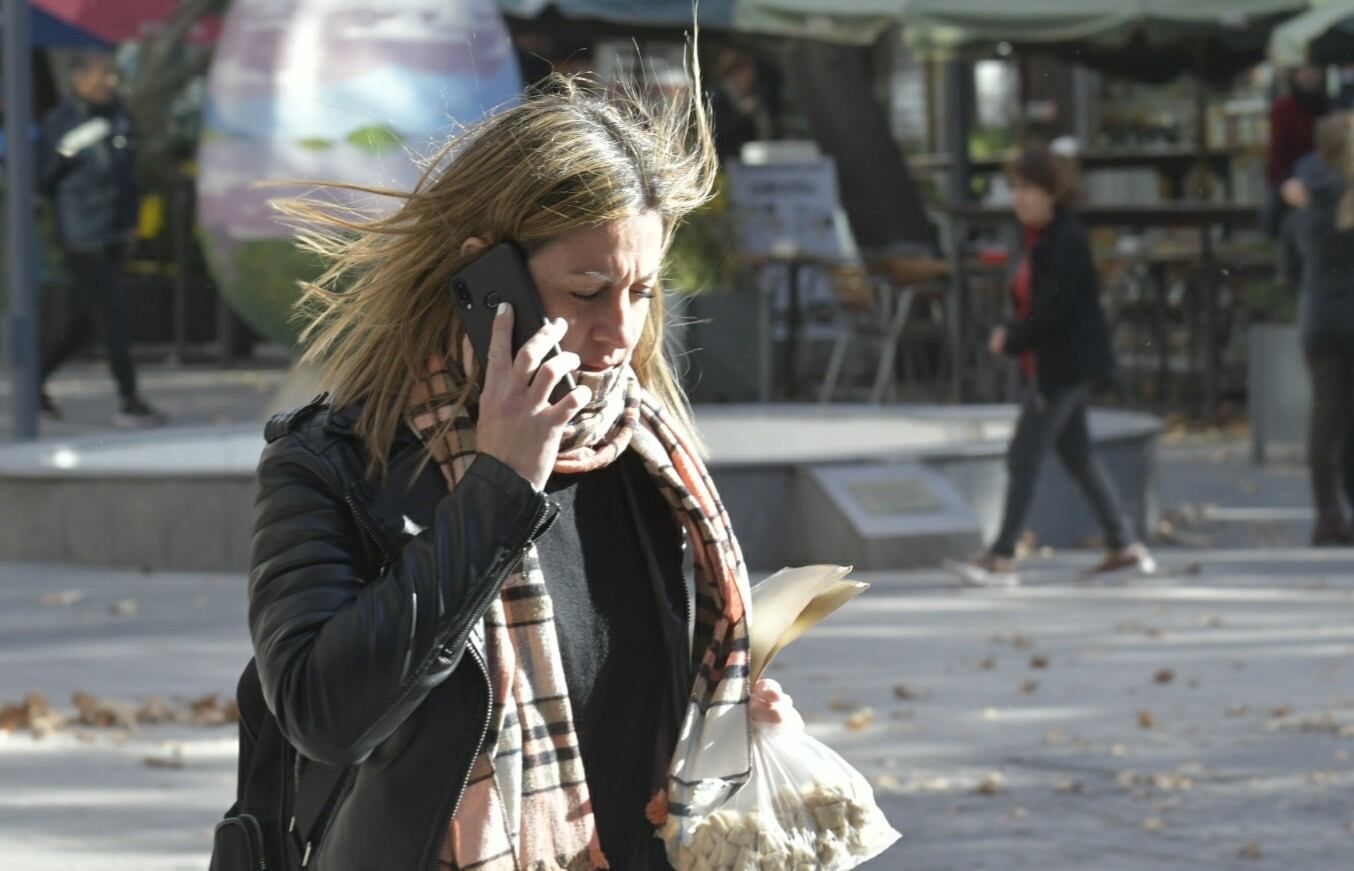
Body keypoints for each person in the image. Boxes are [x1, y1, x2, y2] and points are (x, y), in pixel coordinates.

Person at [246, 49, 791, 871]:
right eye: (587, 290)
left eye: (641, 291)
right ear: (489, 276)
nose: (621, 331)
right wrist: (498, 488)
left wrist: (728, 719)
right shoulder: (334, 464)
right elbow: (325, 711)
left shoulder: (649, 462)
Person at [946, 145, 1156, 587]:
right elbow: (1036, 304)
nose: (1019, 198)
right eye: (1016, 188)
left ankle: (1002, 555)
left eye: (1029, 188)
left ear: (1052, 193)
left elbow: (1054, 309)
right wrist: (1015, 330)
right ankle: (1125, 545)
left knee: (1023, 454)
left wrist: (1013, 336)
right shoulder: (1040, 238)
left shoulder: (1065, 238)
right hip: (1056, 364)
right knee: (1077, 455)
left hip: (1062, 367)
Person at [36, 52, 164, 426]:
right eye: (100, 75)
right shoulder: (61, 122)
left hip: (114, 233)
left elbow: (128, 177)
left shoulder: (120, 115)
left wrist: (131, 225)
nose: (109, 82)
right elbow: (43, 177)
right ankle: (130, 400)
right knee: (113, 317)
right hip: (82, 235)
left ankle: (34, 384)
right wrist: (66, 151)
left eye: (112, 74)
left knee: (86, 322)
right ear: (78, 78)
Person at [1280, 113, 1354, 545]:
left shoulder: (1303, 201)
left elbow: (1288, 268)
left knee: (1324, 422)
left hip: (1320, 319)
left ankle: (1327, 515)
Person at [1266, 65, 1329, 239]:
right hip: (1295, 178)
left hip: (1325, 179)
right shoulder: (1284, 108)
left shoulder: (1327, 103)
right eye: (1305, 71)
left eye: (1314, 70)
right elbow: (1278, 151)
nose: (1310, 76)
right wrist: (1281, 183)